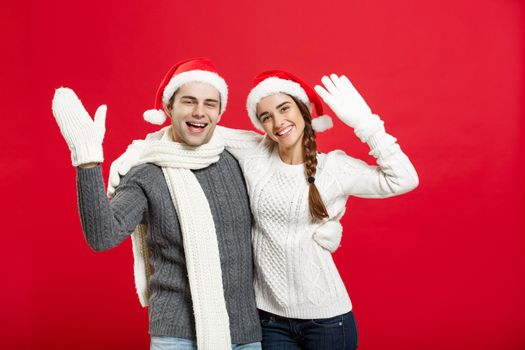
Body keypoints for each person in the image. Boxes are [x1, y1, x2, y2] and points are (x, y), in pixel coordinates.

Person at [109, 69, 419, 349]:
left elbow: (404, 179)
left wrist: (367, 126)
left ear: (303, 110)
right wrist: (134, 154)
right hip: (268, 321)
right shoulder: (252, 150)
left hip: (328, 319)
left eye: (284, 109)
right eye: (265, 116)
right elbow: (189, 128)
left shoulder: (336, 168)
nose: (278, 122)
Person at [51, 58, 264, 350]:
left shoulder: (237, 161)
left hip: (245, 334)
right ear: (168, 107)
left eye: (209, 104)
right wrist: (87, 159)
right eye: (188, 102)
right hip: (176, 336)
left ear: (219, 111)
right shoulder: (146, 173)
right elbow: (103, 236)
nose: (199, 112)